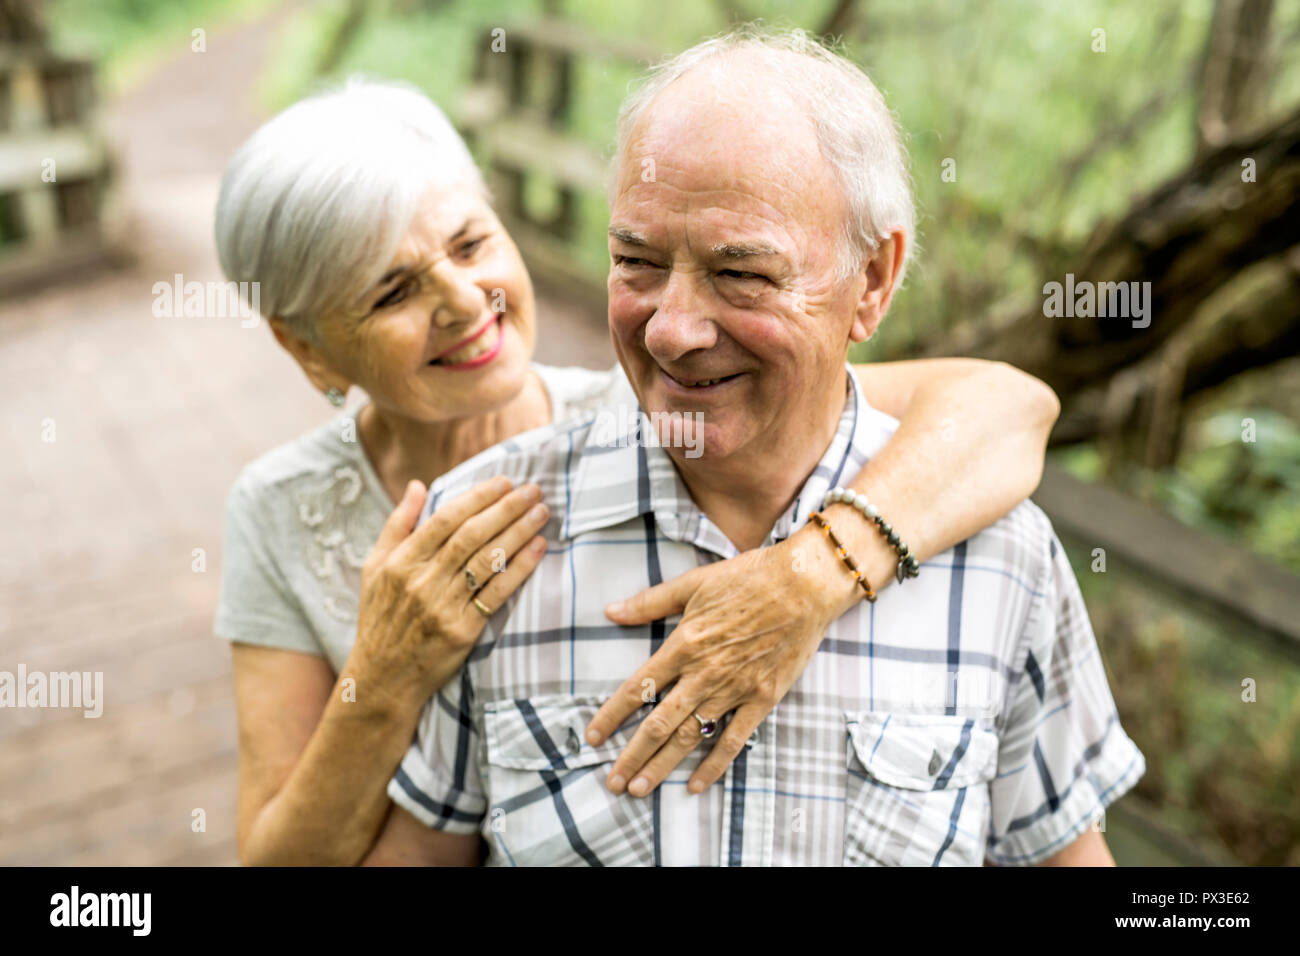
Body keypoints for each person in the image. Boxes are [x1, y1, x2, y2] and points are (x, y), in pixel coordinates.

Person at [214, 76, 1059, 866]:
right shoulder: (281, 509)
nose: (468, 302)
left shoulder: (673, 416)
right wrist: (388, 674)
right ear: (305, 345)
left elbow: (1002, 410)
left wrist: (809, 576)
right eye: (391, 292)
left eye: (473, 244)